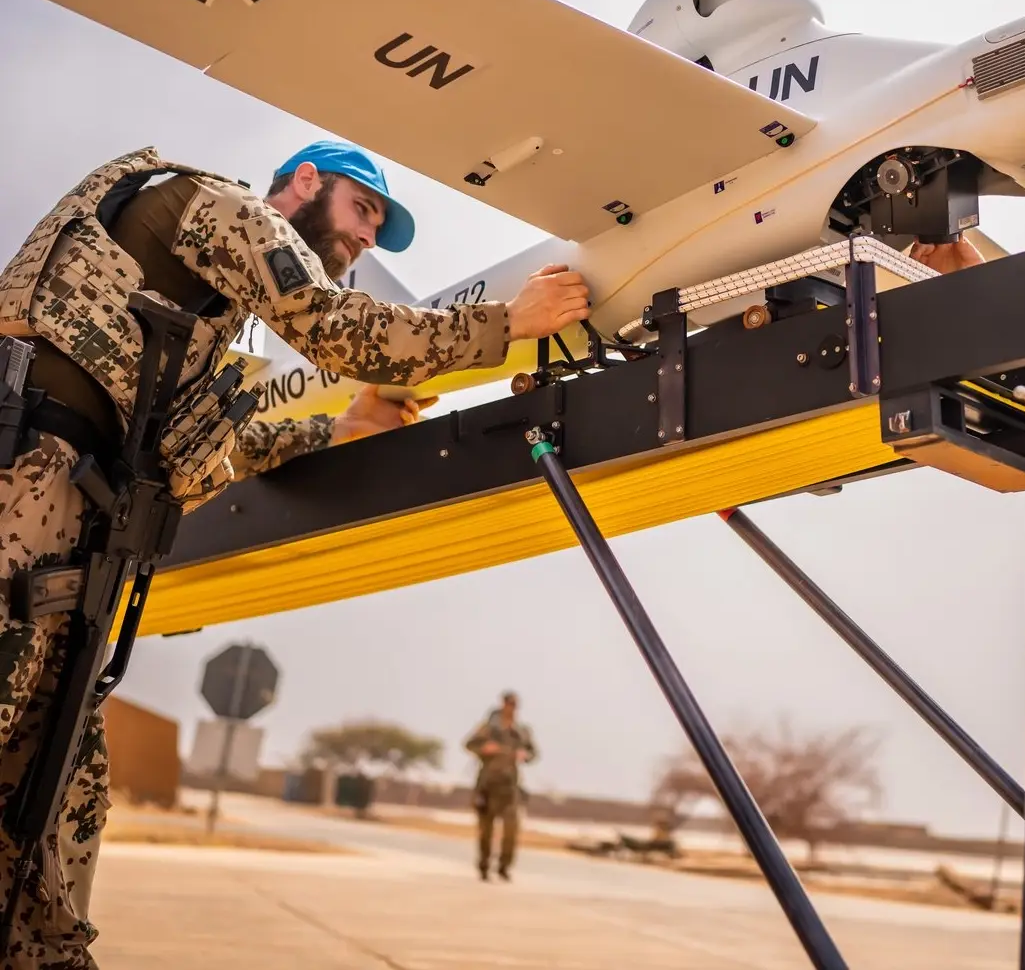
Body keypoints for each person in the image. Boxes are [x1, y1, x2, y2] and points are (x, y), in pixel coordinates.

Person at [0, 139, 589, 968]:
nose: (366, 240)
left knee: (57, 795)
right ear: (305, 183)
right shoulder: (215, 207)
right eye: (362, 211)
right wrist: (504, 325)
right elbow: (336, 330)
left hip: (71, 529)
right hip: (23, 492)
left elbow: (209, 450)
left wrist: (335, 431)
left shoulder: (190, 320)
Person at [464, 690, 538, 881]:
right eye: (508, 704)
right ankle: (484, 865)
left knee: (511, 829)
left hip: (510, 786)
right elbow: (469, 744)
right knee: (486, 830)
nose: (511, 708)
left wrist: (525, 755)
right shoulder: (487, 728)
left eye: (514, 705)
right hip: (488, 785)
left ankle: (504, 867)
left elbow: (533, 753)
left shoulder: (521, 731)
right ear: (503, 704)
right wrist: (484, 749)